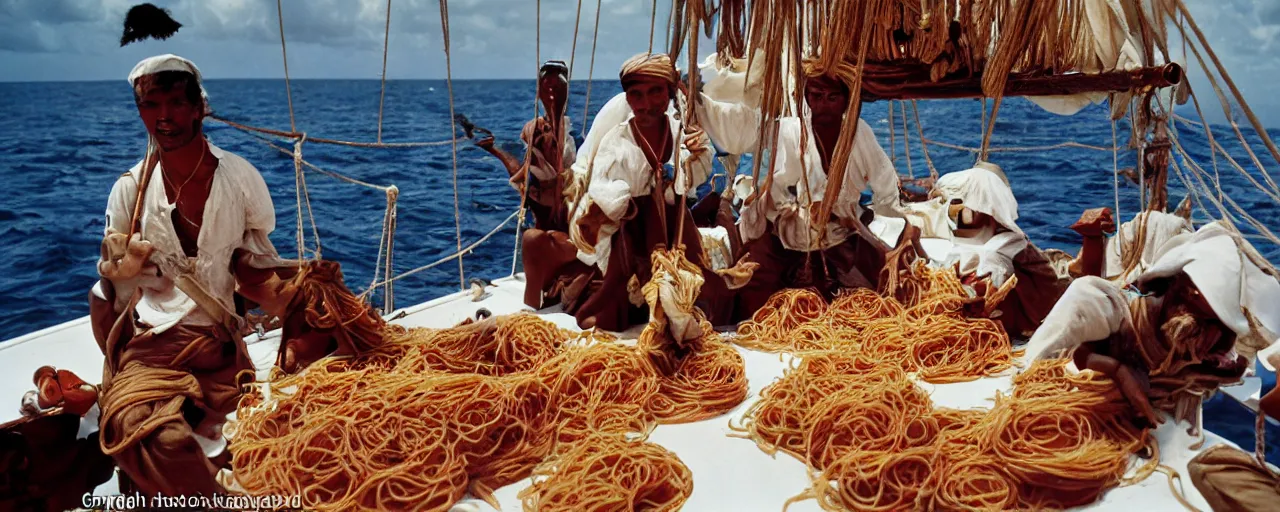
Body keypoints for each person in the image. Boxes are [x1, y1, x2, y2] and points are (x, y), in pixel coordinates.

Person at [88, 55, 302, 497]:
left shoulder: (241, 178)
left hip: (218, 347)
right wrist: (121, 274)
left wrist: (296, 293)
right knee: (150, 433)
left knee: (259, 434)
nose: (164, 116)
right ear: (140, 110)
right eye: (150, 105)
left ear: (199, 106)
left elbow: (254, 265)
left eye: (175, 102)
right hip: (151, 350)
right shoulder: (129, 190)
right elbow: (108, 293)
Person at [1022, 222, 1280, 429]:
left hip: (1167, 422)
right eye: (1192, 295)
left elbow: (1221, 373)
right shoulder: (1118, 309)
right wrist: (1119, 370)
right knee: (1084, 294)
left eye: (1212, 315)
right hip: (1078, 404)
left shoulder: (1217, 337)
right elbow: (1062, 357)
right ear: (1175, 282)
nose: (1193, 309)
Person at [567, 52, 752, 334]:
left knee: (671, 216)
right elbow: (602, 190)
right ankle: (621, 298)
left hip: (676, 233)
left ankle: (688, 286)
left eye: (655, 92)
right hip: (630, 235)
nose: (646, 104)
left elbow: (693, 177)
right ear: (627, 99)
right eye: (636, 95)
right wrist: (625, 198)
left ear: (669, 92)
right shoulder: (616, 142)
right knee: (608, 310)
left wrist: (696, 156)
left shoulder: (680, 133)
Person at [733, 72, 908, 321]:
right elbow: (779, 184)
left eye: (832, 97)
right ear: (807, 99)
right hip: (797, 229)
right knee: (753, 284)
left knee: (885, 292)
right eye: (816, 97)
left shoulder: (858, 132)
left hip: (845, 228)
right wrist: (792, 211)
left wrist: (892, 226)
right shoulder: (794, 132)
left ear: (846, 101)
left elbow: (884, 182)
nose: (823, 105)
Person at [476, 61, 591, 310]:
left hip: (573, 245)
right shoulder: (533, 131)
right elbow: (521, 173)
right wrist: (494, 150)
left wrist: (556, 108)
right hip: (545, 247)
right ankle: (534, 309)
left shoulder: (571, 139)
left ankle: (531, 311)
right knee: (534, 237)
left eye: (557, 83)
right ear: (538, 90)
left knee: (532, 238)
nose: (551, 87)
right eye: (545, 83)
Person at [912, 162, 1072, 337]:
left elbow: (983, 294)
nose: (956, 211)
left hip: (1014, 322)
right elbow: (943, 272)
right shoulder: (969, 245)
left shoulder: (1004, 249)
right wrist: (915, 244)